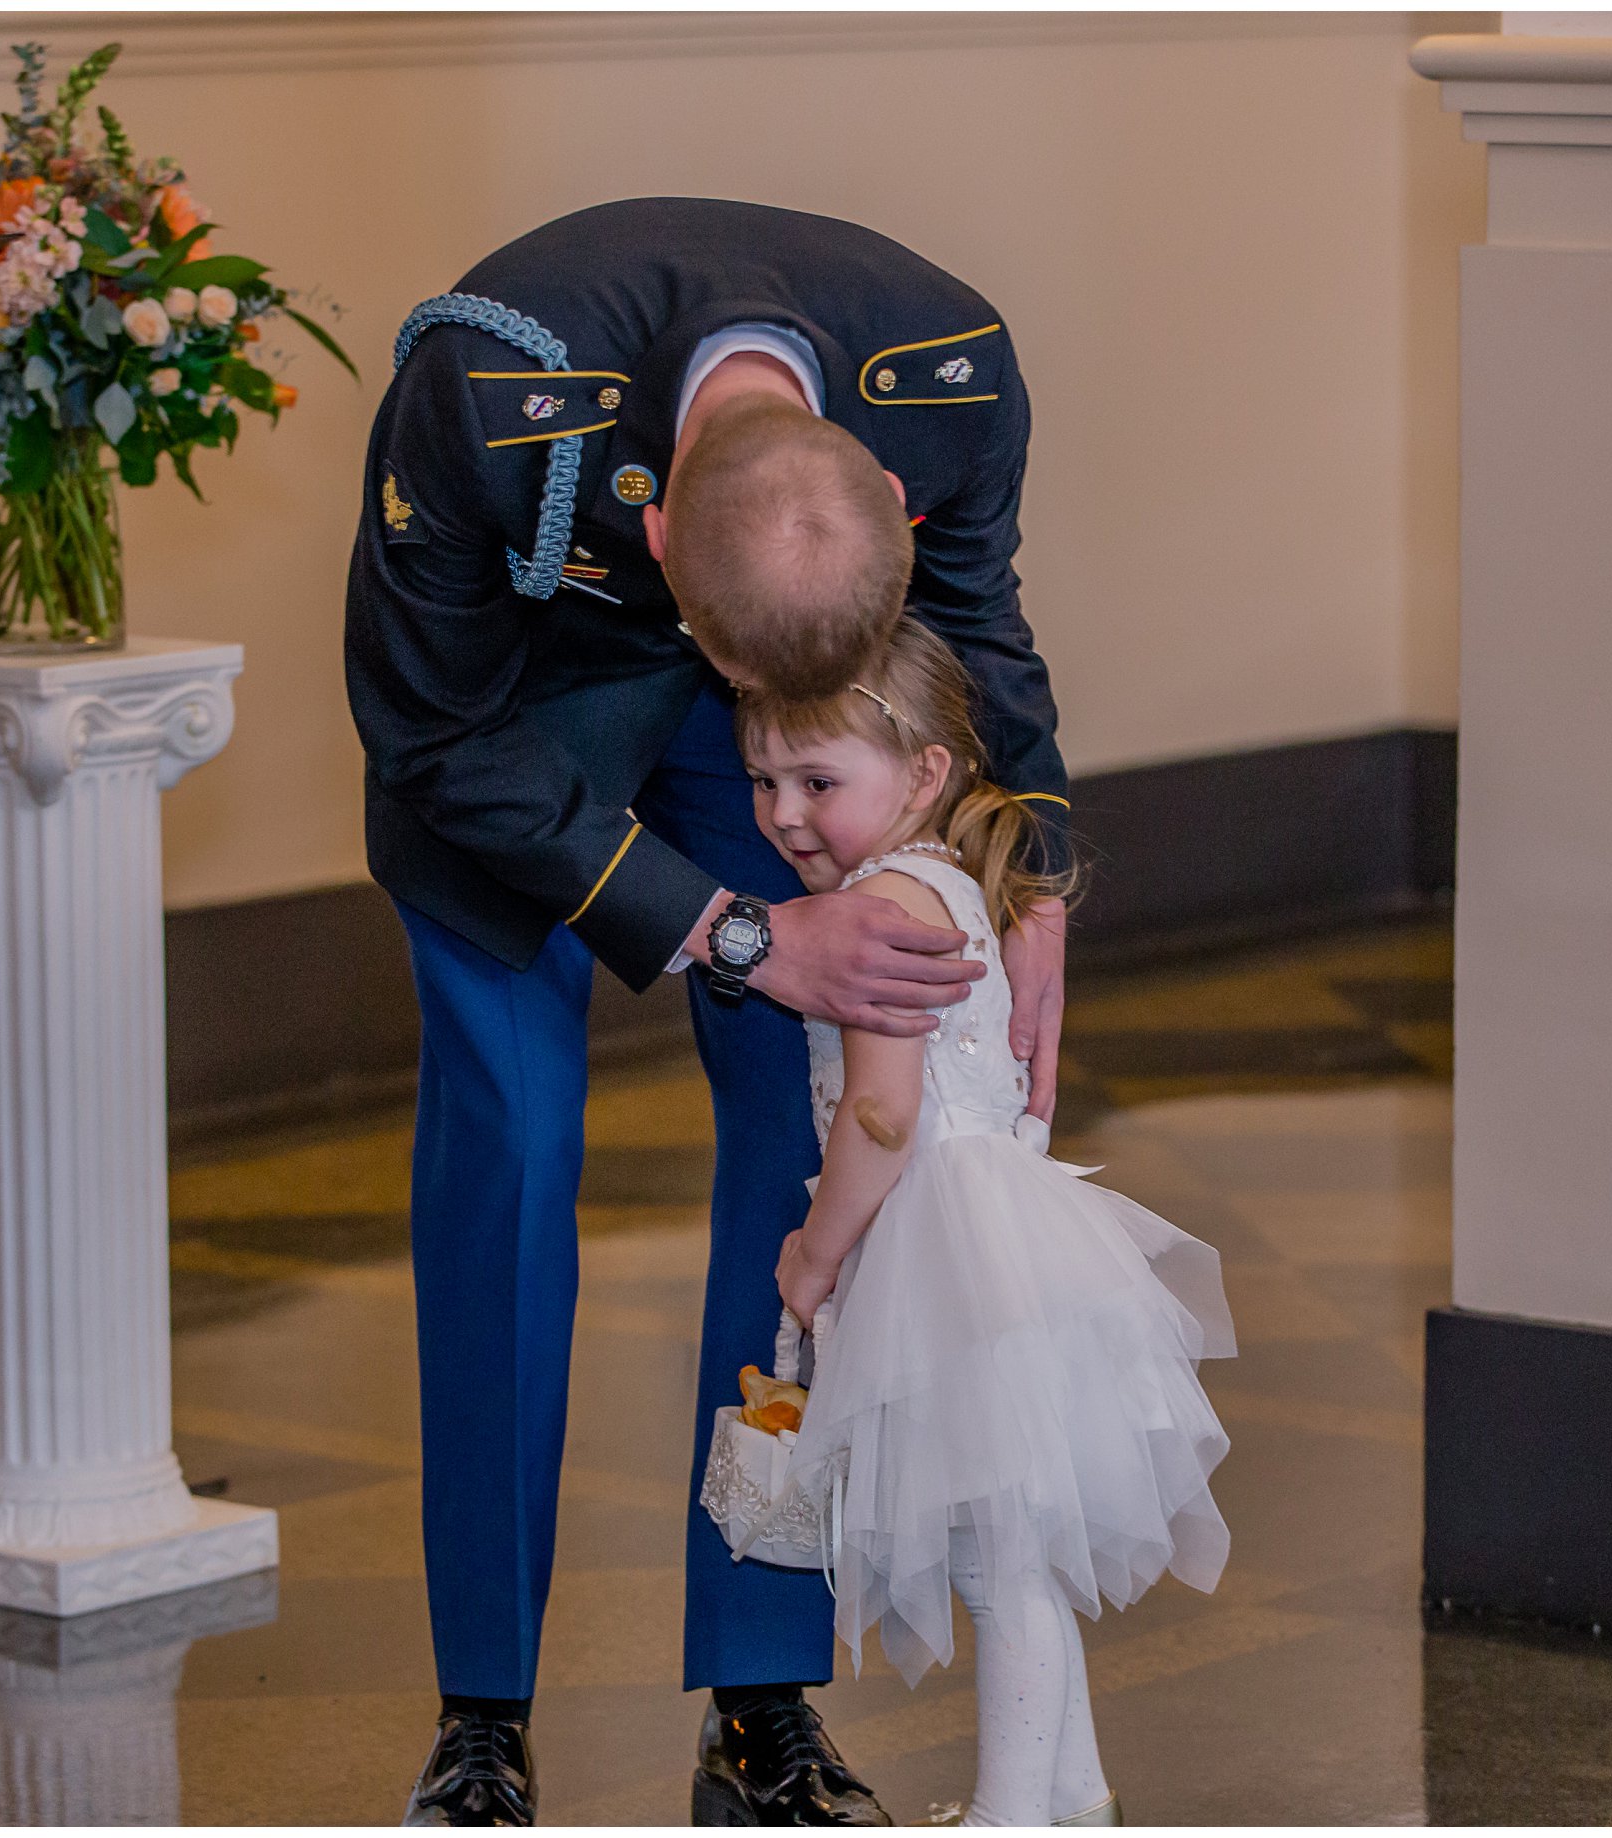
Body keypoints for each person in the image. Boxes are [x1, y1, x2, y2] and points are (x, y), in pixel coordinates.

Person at [342, 197, 1074, 1825]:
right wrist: (739, 931)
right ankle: (482, 1719)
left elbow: (986, 625)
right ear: (657, 537)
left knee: (809, 1168)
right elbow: (427, 733)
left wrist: (1039, 873)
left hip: (779, 720)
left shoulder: (944, 374)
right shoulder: (477, 390)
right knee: (511, 1169)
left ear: (880, 497)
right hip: (511, 747)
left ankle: (761, 1696)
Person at [725, 617, 1233, 1827]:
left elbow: (884, 1117)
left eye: (816, 781)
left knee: (995, 1567)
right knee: (1017, 1553)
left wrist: (812, 1252)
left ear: (922, 774)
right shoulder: (940, 880)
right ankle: (1069, 1790)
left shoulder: (880, 908)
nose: (784, 812)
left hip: (941, 1252)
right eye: (761, 780)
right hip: (998, 1245)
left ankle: (1013, 1813)